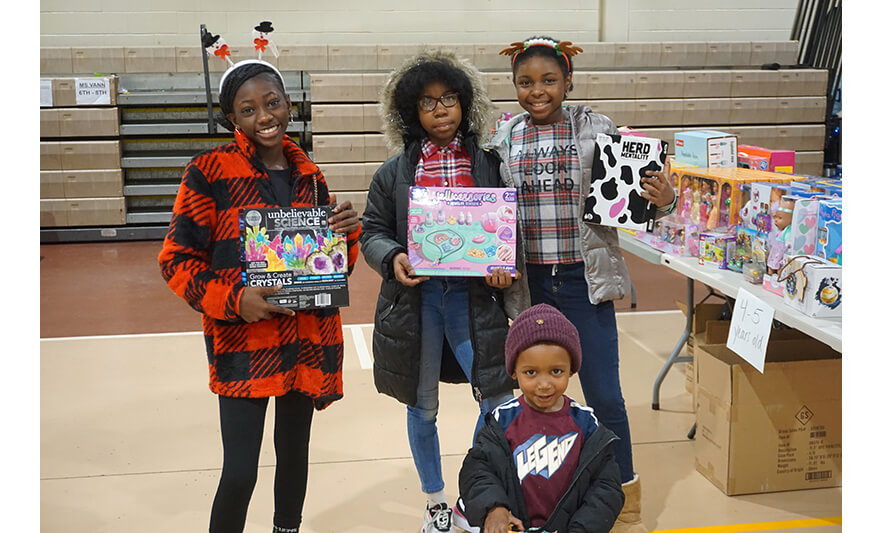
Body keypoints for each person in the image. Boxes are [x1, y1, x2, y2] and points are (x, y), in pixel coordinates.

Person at [158, 59, 361, 533]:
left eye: (272, 103)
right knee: (240, 472)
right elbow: (176, 261)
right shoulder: (208, 171)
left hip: (307, 340)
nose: (264, 116)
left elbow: (330, 269)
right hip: (246, 346)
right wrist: (235, 300)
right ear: (233, 118)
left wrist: (346, 235)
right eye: (248, 109)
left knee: (294, 457)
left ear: (288, 105)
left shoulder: (310, 174)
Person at [489, 36, 678, 533]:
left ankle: (624, 500)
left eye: (549, 80)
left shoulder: (599, 129)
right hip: (530, 288)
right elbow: (493, 213)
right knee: (536, 396)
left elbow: (640, 203)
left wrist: (664, 198)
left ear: (568, 81)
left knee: (605, 396)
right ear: (514, 86)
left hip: (583, 280)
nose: (537, 91)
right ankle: (541, 495)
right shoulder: (504, 138)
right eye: (525, 82)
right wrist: (494, 259)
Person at [359, 48, 517, 533]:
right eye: (427, 102)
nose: (440, 109)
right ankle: (435, 502)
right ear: (412, 111)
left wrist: (504, 265)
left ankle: (478, 491)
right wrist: (392, 257)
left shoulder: (490, 164)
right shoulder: (393, 172)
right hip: (418, 302)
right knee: (422, 405)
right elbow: (372, 231)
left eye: (449, 98)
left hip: (476, 300)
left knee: (496, 401)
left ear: (465, 103)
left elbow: (509, 225)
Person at [459, 304, 625, 533]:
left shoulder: (587, 424)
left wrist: (582, 528)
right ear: (514, 371)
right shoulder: (501, 421)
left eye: (556, 371)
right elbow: (477, 471)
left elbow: (606, 487)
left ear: (571, 369)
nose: (544, 384)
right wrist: (494, 508)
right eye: (531, 372)